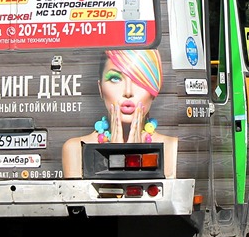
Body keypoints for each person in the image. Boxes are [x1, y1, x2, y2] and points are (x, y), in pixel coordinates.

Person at [61, 49, 177, 178]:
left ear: (154, 90)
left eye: (139, 79)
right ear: (100, 89)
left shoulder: (172, 149)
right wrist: (115, 156)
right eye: (115, 78)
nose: (128, 92)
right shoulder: (76, 149)